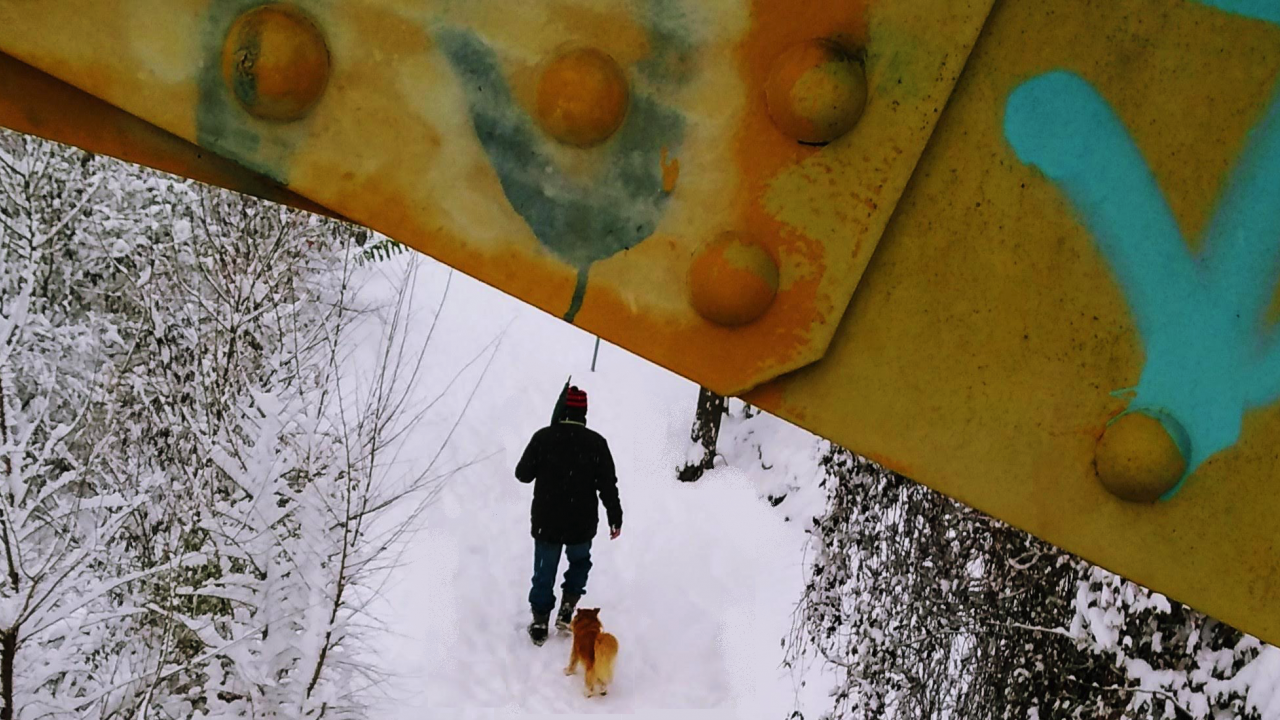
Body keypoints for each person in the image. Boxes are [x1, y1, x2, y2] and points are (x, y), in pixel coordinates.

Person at [515, 385, 622, 646]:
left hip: (547, 521)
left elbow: (522, 474)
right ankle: (567, 609)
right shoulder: (596, 443)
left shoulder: (543, 437)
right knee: (579, 563)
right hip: (580, 523)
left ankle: (540, 621)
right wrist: (615, 516)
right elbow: (607, 484)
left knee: (544, 571)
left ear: (562, 410)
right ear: (584, 412)